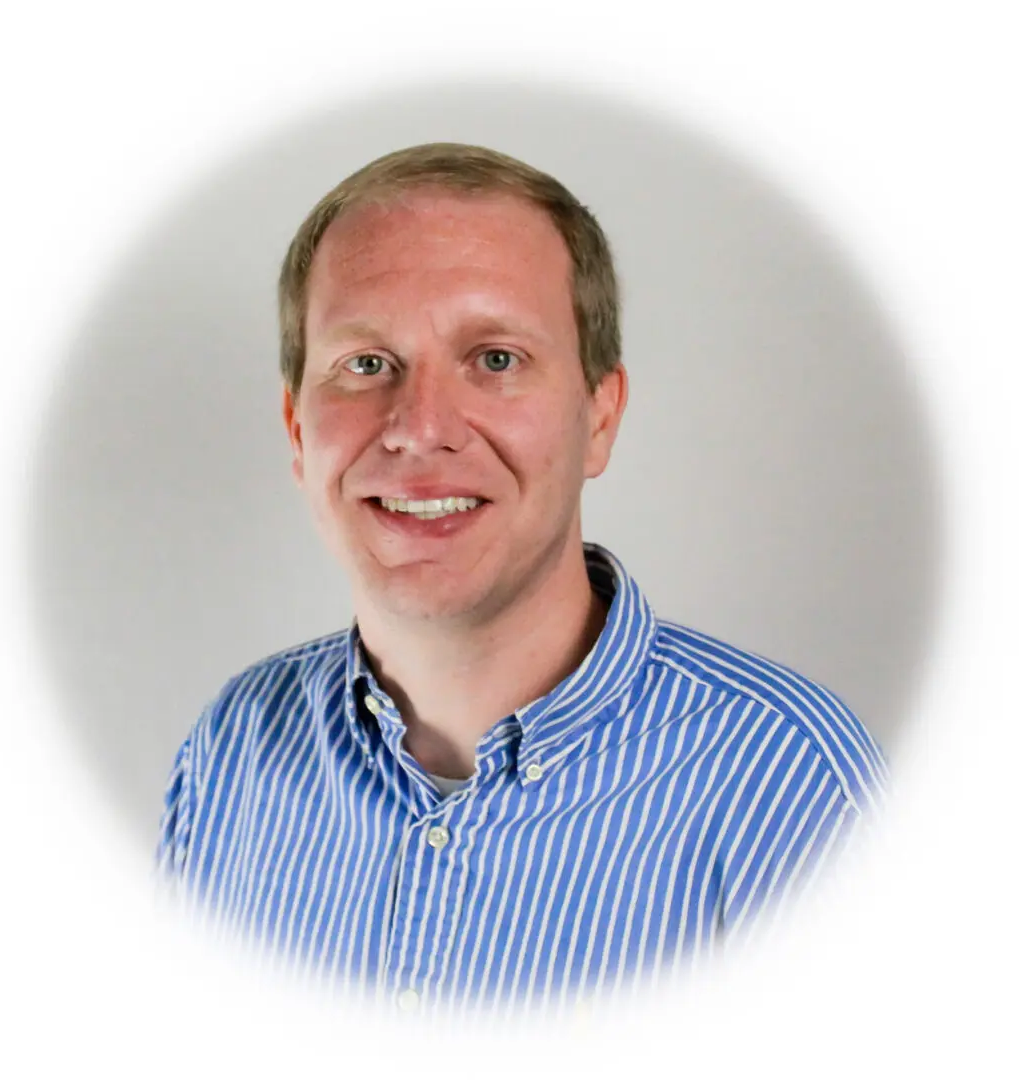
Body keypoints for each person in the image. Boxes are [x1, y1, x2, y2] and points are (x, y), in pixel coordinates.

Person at [157, 142, 887, 1015]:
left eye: (496, 359)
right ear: (295, 428)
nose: (419, 429)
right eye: (365, 364)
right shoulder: (232, 753)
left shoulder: (789, 782)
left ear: (601, 416)